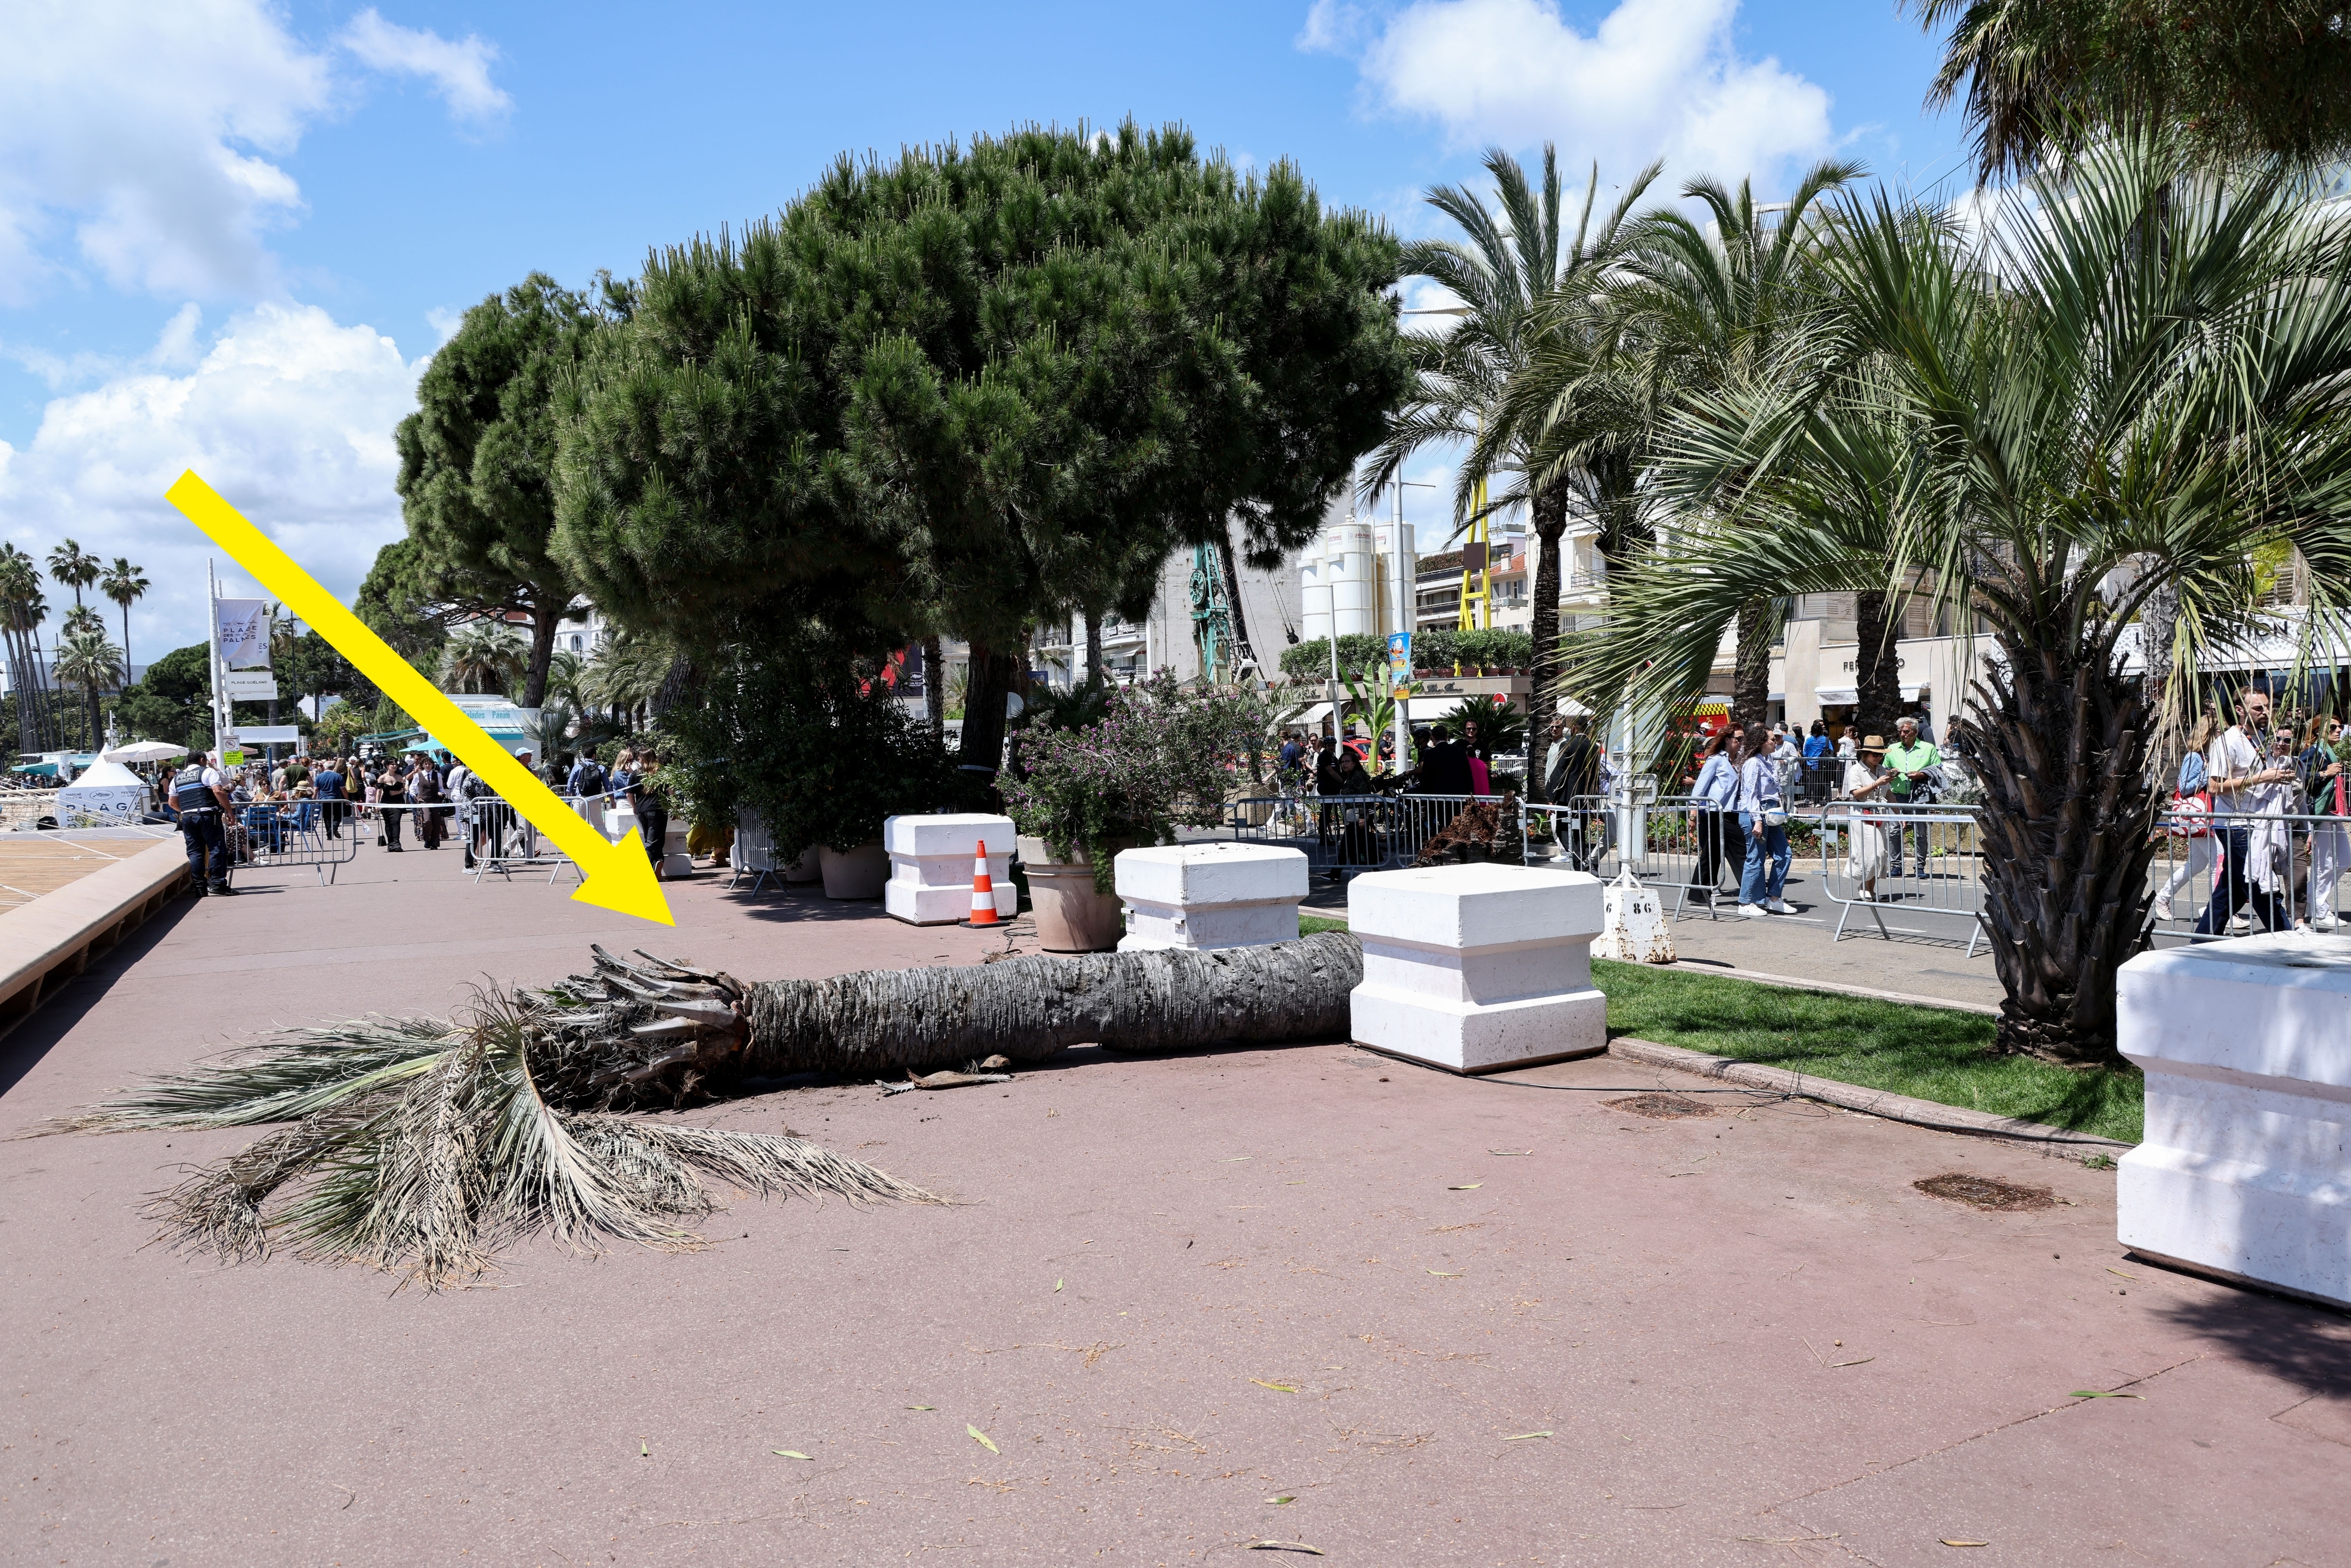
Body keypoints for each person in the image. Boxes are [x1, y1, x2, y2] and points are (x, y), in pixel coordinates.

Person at [2195, 688, 2294, 935]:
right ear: (2240, 710)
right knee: (2260, 883)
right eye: (2258, 708)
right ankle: (2284, 935)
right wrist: (2263, 777)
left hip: (2257, 822)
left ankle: (2202, 939)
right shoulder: (2226, 742)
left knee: (2232, 890)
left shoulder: (2262, 737)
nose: (2265, 712)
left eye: (2267, 707)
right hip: (2236, 824)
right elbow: (2215, 786)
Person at [2152, 714, 2220, 924]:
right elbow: (2184, 786)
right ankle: (2214, 909)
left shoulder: (2205, 757)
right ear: (2208, 734)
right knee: (2220, 862)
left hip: (2203, 818)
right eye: (2219, 732)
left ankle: (2163, 898)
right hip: (2198, 817)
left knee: (2196, 866)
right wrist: (2207, 773)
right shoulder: (2195, 757)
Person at [1736, 721, 1793, 917]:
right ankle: (1746, 902)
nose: (1776, 741)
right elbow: (1750, 794)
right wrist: (1757, 820)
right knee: (1755, 858)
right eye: (1772, 739)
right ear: (1761, 742)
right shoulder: (1752, 763)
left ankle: (1774, 898)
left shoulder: (1767, 761)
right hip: (1757, 812)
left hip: (1770, 812)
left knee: (1784, 853)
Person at [2300, 714, 2347, 931]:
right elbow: (2299, 778)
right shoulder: (2313, 752)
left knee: (2344, 860)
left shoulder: (2328, 751)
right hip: (2318, 816)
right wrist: (2323, 773)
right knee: (2324, 864)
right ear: (2318, 732)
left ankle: (2311, 899)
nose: (2339, 730)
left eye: (2341, 727)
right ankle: (2319, 910)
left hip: (2332, 814)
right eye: (2333, 728)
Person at [1882, 716, 1941, 878]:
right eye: (1900, 731)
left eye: (1906, 731)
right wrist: (1890, 772)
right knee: (1894, 831)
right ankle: (1896, 866)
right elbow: (1884, 769)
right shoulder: (1892, 749)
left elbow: (1937, 768)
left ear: (1915, 732)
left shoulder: (1928, 748)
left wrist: (1921, 774)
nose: (1902, 734)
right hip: (1896, 796)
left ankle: (1920, 867)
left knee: (1920, 833)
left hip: (1920, 796)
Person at [169, 749, 235, 895]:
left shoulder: (177, 778)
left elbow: (172, 802)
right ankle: (218, 883)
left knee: (195, 852)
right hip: (207, 816)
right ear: (202, 760)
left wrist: (188, 809)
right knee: (217, 848)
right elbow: (219, 791)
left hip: (187, 817)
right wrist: (229, 811)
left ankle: (200, 887)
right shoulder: (207, 772)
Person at [1689, 729, 1743, 906]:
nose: (1742, 742)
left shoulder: (1738, 761)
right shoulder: (1716, 760)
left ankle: (1750, 893)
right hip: (1714, 813)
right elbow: (1699, 788)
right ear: (1728, 739)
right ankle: (1698, 895)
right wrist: (1693, 813)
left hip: (1732, 813)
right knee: (1713, 854)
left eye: (1744, 739)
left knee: (1733, 853)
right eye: (1739, 738)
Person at [1842, 736, 1894, 901]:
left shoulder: (1881, 769)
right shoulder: (1856, 770)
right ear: (1865, 753)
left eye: (1881, 754)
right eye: (1874, 754)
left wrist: (1900, 813)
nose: (1878, 757)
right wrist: (1876, 784)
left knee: (1879, 854)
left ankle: (1870, 890)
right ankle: (1864, 887)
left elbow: (1889, 793)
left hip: (1879, 813)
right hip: (1862, 814)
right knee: (1871, 853)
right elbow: (1856, 793)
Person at [376, 754, 409, 851]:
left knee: (396, 822)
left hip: (398, 803)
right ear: (387, 766)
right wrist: (376, 805)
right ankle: (391, 845)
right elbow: (379, 791)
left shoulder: (399, 777)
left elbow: (404, 790)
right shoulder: (382, 778)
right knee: (388, 824)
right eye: (392, 764)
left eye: (396, 764)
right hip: (386, 803)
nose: (395, 766)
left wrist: (398, 792)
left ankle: (397, 844)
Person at [312, 755, 345, 838]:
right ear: (333, 767)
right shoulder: (338, 776)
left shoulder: (319, 777)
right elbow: (343, 789)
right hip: (336, 799)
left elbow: (316, 789)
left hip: (324, 799)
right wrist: (347, 799)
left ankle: (330, 834)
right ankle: (334, 828)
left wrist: (313, 799)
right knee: (338, 815)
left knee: (327, 817)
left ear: (325, 767)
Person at [1802, 720, 1832, 804]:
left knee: (1815, 783)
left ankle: (1816, 802)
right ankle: (1829, 800)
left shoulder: (1809, 740)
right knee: (1826, 782)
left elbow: (1805, 752)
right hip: (1824, 764)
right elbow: (1831, 750)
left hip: (1812, 764)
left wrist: (1809, 760)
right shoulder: (1826, 740)